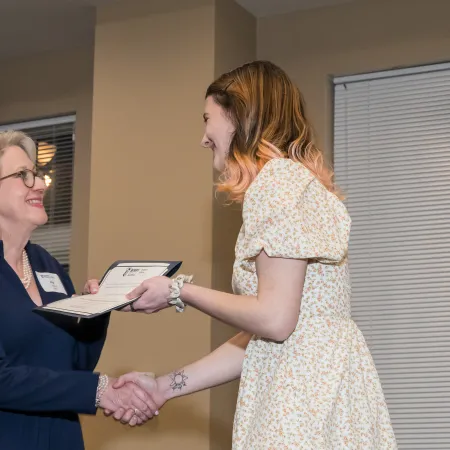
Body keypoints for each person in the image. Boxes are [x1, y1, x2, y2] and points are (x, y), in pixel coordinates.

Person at [108, 61, 398, 448]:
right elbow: (268, 336)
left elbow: (275, 321)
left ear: (238, 117)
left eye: (207, 118)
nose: (203, 136)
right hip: (329, 395)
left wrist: (179, 291)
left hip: (299, 406)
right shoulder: (299, 182)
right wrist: (163, 387)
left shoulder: (274, 183)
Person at [0, 131, 158, 450]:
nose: (41, 184)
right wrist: (99, 391)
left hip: (63, 437)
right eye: (23, 176)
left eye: (38, 174)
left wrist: (95, 312)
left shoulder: (48, 265)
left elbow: (76, 364)